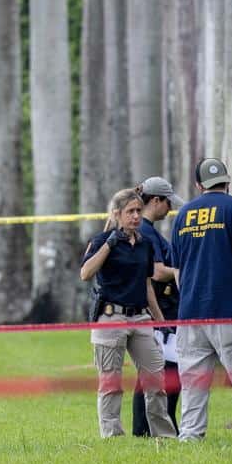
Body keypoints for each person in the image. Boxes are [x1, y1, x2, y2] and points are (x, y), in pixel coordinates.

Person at [171, 157, 232, 443]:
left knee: (192, 383)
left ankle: (190, 436)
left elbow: (178, 270)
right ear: (227, 182)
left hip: (190, 314)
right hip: (229, 311)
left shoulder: (183, 214)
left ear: (198, 185)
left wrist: (190, 298)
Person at [79, 187, 176, 440]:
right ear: (117, 214)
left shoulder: (144, 245)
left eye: (138, 211)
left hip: (141, 318)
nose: (135, 216)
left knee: (156, 379)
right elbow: (86, 273)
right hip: (110, 318)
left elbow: (147, 286)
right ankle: (112, 436)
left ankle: (164, 435)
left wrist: (162, 322)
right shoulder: (102, 241)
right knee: (111, 384)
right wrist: (110, 245)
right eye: (130, 212)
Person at [131, 176, 183, 436]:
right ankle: (148, 429)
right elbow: (155, 271)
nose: (170, 208)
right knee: (163, 374)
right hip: (160, 312)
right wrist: (183, 271)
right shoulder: (146, 232)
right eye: (167, 203)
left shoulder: (148, 229)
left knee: (158, 375)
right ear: (155, 200)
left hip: (164, 312)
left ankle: (154, 427)